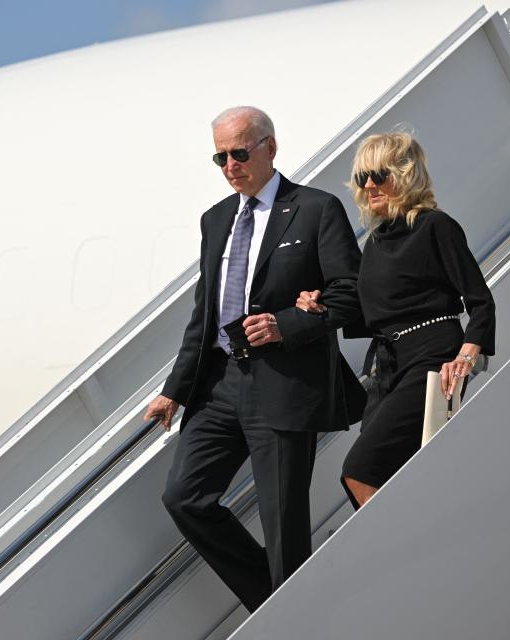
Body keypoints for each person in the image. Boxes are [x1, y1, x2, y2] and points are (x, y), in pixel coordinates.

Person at [143, 106, 365, 612]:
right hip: (220, 387)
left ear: (270, 146)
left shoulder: (315, 208)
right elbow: (205, 312)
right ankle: (273, 602)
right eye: (219, 157)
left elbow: (350, 293)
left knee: (283, 524)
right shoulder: (216, 219)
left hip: (284, 384)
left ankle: (289, 617)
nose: (230, 166)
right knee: (184, 497)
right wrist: (174, 390)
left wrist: (286, 324)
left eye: (239, 153)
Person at [297, 131, 495, 509]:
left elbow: (481, 301)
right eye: (362, 178)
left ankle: (399, 547)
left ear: (405, 174)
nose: (369, 185)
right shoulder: (375, 242)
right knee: (385, 476)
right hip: (388, 367)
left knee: (359, 468)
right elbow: (371, 314)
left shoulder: (435, 226)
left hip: (433, 358)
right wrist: (321, 306)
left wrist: (465, 359)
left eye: (379, 174)